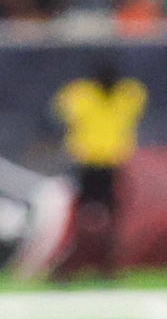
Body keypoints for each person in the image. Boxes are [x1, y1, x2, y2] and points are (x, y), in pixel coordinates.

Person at [51, 58, 145, 280]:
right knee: (78, 220)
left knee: (112, 220)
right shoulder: (86, 94)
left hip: (111, 164)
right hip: (86, 165)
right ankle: (70, 266)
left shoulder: (126, 94)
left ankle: (107, 266)